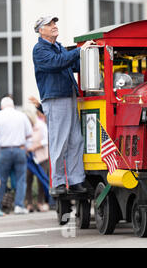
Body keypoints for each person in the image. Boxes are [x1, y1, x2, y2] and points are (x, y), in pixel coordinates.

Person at [32, 16, 95, 195]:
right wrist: (79, 51)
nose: (54, 26)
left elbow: (71, 64)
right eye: (49, 24)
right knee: (59, 141)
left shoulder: (57, 47)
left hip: (67, 96)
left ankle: (76, 180)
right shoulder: (39, 50)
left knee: (76, 140)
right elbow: (57, 63)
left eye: (54, 23)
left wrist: (86, 54)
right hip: (55, 98)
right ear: (40, 30)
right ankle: (58, 182)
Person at [0, 97, 33, 214]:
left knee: (1, 178)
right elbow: (29, 133)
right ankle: (19, 205)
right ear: (13, 105)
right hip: (20, 149)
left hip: (5, 150)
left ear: (2, 106)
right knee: (21, 178)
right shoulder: (21, 115)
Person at [25, 109, 49, 212]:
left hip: (42, 157)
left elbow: (46, 140)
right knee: (28, 180)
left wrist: (35, 147)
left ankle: (40, 202)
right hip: (30, 158)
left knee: (41, 181)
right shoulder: (26, 127)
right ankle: (29, 203)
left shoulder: (41, 125)